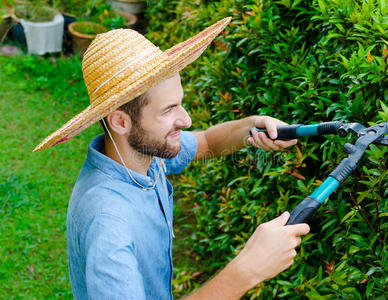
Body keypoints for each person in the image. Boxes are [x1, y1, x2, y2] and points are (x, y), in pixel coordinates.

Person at [33, 17, 310, 299]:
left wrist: (254, 125)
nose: (187, 120)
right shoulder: (108, 225)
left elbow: (206, 143)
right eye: (169, 109)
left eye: (180, 103)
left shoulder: (142, 154)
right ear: (120, 121)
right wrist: (249, 269)